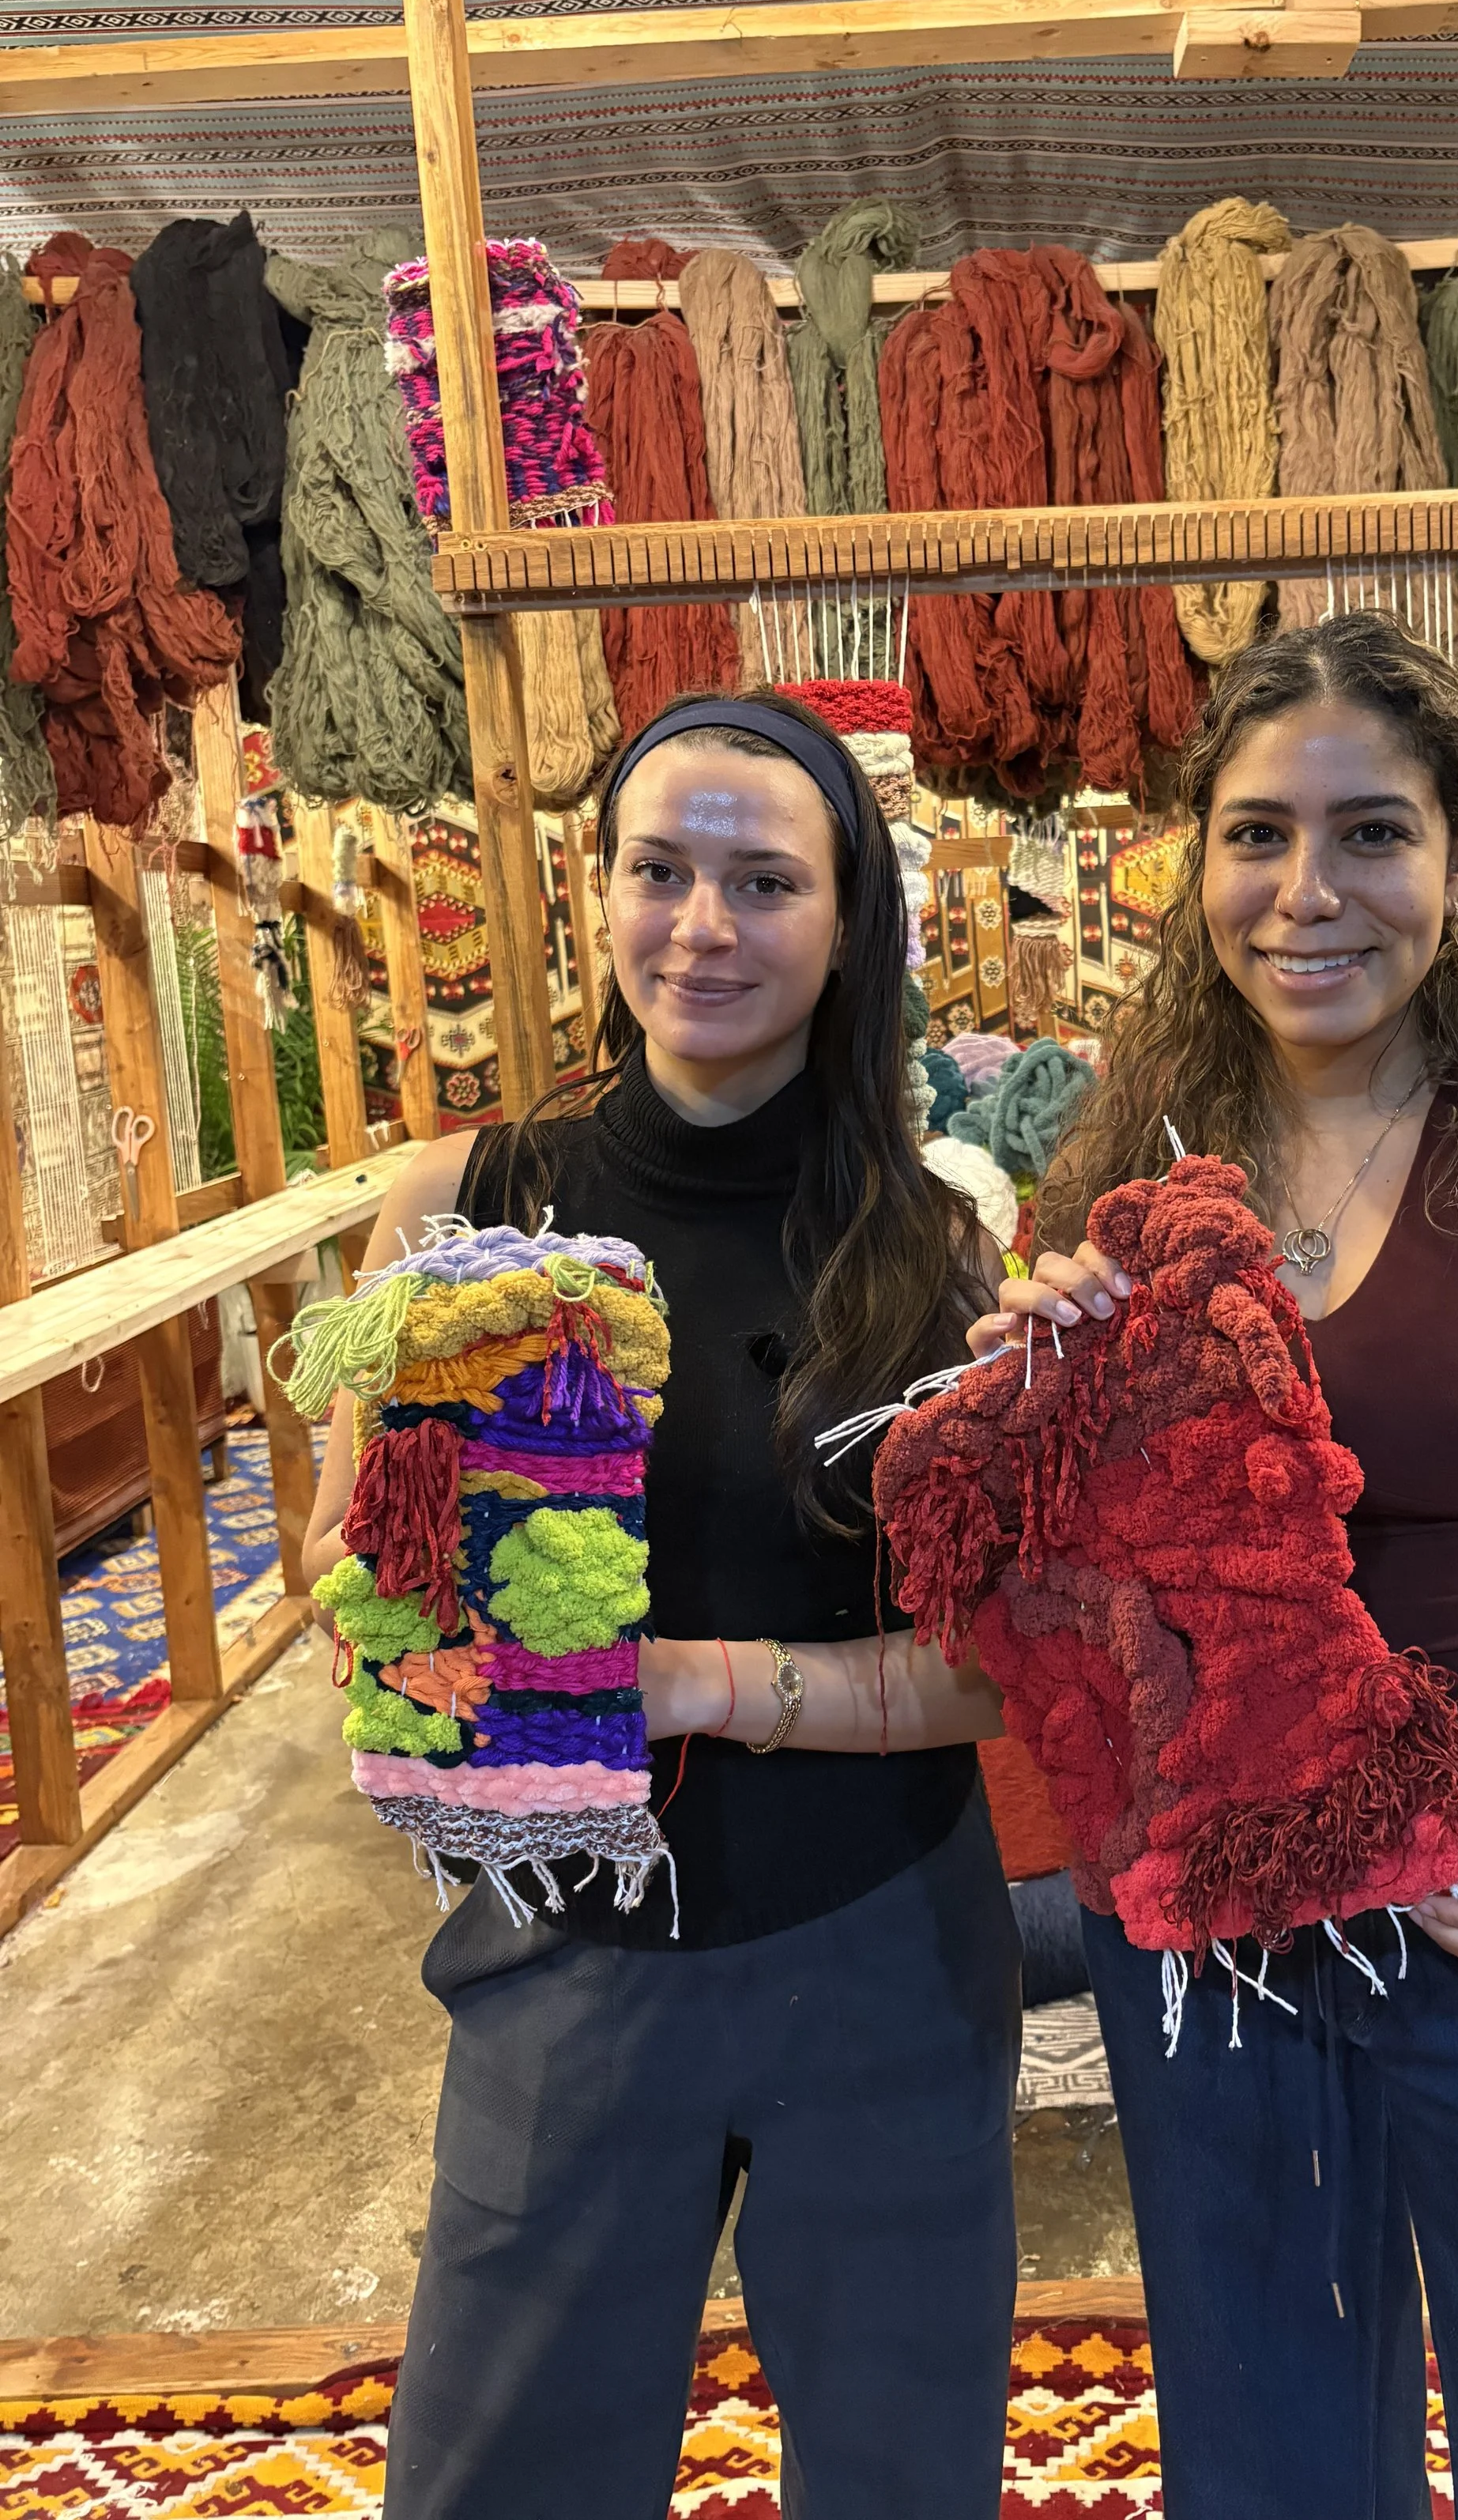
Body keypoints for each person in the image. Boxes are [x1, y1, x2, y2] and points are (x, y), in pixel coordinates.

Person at [972, 613, 1458, 2520]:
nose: (1305, 891)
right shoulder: (1134, 1166)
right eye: (1255, 835)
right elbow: (1081, 1589)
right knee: (1272, 2465)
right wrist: (1043, 1388)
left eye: (1370, 834)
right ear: (1197, 864)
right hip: (1224, 1929)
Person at [301, 691, 1017, 2520]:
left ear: (848, 919)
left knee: (899, 2467)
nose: (702, 925)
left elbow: (993, 1670)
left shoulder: (935, 1250)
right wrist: (411, 1633)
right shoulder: (463, 1208)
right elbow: (342, 1560)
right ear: (600, 895)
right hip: (565, 1955)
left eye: (763, 880)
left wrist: (691, 1681)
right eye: (660, 871)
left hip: (881, 1953)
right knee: (498, 2476)